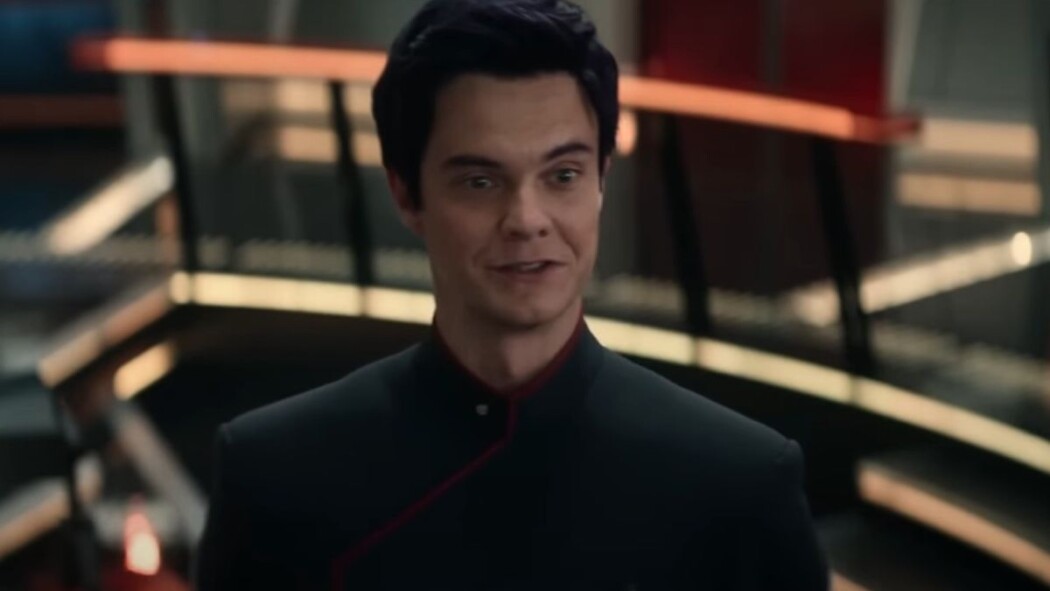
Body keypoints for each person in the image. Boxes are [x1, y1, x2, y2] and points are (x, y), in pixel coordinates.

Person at [194, 0, 829, 589]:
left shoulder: (740, 483)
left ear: (602, 181)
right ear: (406, 194)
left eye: (563, 175)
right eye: (480, 181)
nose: (527, 219)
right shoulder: (275, 475)